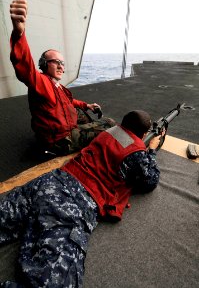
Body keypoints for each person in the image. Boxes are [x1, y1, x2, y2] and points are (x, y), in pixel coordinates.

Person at [0, 109, 162, 288]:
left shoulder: (109, 131)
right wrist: (152, 150)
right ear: (145, 133)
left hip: (51, 179)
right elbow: (150, 181)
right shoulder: (137, 152)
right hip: (73, 202)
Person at [9, 0, 115, 156]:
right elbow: (24, 67)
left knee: (79, 112)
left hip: (54, 132)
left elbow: (69, 100)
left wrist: (87, 105)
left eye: (62, 63)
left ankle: (85, 133)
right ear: (44, 65)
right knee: (108, 123)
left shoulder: (56, 85)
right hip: (59, 141)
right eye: (55, 62)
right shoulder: (41, 82)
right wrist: (19, 34)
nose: (60, 66)